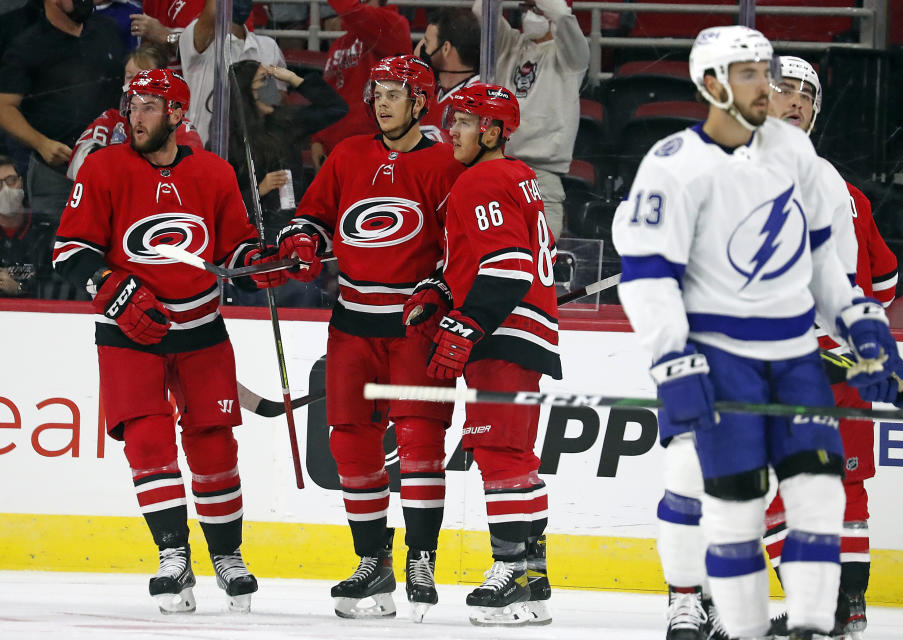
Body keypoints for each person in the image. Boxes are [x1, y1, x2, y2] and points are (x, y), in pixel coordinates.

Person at [612, 25, 903, 640]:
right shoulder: (678, 162)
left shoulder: (821, 179)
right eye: (769, 83)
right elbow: (646, 272)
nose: (784, 98)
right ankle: (685, 602)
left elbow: (836, 278)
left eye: (800, 92)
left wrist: (866, 339)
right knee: (692, 478)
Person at [51, 69, 281, 614]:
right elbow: (70, 250)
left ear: (178, 114)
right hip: (130, 332)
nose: (137, 115)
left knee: (214, 443)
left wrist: (260, 264)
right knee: (149, 441)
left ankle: (228, 556)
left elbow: (236, 250)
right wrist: (115, 290)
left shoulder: (214, 172)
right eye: (133, 104)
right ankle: (173, 555)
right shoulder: (105, 168)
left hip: (201, 331)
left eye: (151, 106)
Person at [271, 55, 464, 621]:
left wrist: (440, 290)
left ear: (422, 103)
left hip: (413, 327)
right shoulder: (351, 153)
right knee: (351, 441)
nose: (382, 101)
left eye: (395, 93)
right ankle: (372, 560)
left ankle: (421, 557)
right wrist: (303, 240)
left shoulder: (446, 166)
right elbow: (314, 215)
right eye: (377, 91)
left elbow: (462, 253)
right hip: (352, 322)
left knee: (422, 443)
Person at [758, 55, 900, 640]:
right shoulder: (845, 190)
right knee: (842, 486)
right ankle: (848, 608)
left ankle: (824, 606)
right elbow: (885, 282)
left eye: (806, 96)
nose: (795, 101)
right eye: (784, 90)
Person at [417, 83, 560, 626]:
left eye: (463, 121)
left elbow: (507, 268)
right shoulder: (520, 177)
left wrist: (465, 326)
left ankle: (508, 568)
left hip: (503, 334)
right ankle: (532, 576)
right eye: (452, 119)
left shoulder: (482, 179)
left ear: (494, 131)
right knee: (518, 460)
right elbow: (487, 261)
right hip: (526, 333)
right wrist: (442, 290)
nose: (451, 130)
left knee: (499, 454)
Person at [471, 0, 588, 239]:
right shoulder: (510, 43)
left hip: (541, 178)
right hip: (497, 166)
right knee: (493, 260)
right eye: (524, 8)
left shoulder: (571, 55)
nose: (529, 15)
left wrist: (544, 5)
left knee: (538, 262)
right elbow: (480, 9)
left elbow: (563, 16)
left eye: (535, 9)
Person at [0, 0, 125, 219]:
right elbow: (4, 107)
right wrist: (41, 143)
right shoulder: (28, 46)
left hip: (111, 166)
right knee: (59, 248)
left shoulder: (108, 30)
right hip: (57, 175)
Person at [225, 59, 346, 231]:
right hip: (255, 230)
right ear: (245, 92)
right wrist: (259, 189)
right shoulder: (228, 140)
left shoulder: (285, 122)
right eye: (263, 80)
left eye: (270, 80)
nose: (270, 87)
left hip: (294, 223)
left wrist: (293, 79)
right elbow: (223, 203)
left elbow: (336, 108)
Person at [67, 43, 203, 181]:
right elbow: (78, 163)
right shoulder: (112, 119)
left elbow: (192, 172)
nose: (134, 83)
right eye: (129, 76)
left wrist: (114, 164)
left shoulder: (178, 125)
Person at [307, 0, 411, 169]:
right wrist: (317, 140)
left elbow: (352, 11)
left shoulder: (393, 25)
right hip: (334, 157)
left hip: (375, 156)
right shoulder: (339, 44)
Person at [179, 0, 286, 147]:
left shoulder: (268, 47)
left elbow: (277, 109)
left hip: (251, 156)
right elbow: (211, 15)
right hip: (201, 152)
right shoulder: (196, 40)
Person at [413, 7, 480, 143]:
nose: (421, 49)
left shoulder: (477, 99)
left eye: (427, 42)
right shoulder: (429, 91)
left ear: (446, 49)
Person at [0, 155, 50, 297]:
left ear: (21, 182)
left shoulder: (46, 231)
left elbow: (56, 288)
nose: (5, 190)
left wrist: (19, 289)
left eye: (11, 180)